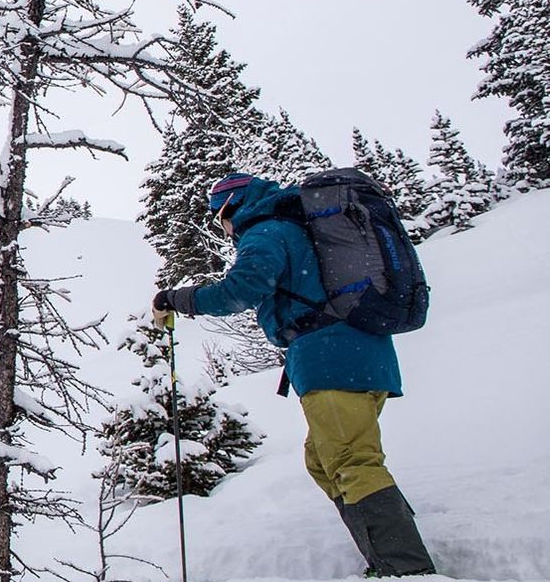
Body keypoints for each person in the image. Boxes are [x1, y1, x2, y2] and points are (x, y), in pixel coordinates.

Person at [153, 172, 434, 576]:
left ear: (232, 206)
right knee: (323, 459)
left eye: (219, 217)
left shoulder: (266, 229)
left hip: (331, 357)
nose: (223, 226)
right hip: (357, 353)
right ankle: (392, 545)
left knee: (350, 461)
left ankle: (404, 566)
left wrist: (177, 299)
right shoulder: (294, 227)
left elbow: (243, 288)